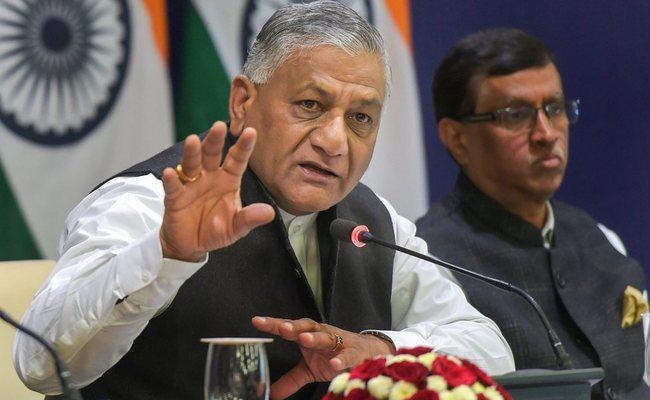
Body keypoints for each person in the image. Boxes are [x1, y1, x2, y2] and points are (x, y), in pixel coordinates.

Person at [13, 3, 514, 400]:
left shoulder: (375, 223)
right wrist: (164, 253)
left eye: (360, 118)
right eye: (310, 105)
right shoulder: (146, 202)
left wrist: (380, 349)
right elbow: (41, 366)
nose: (334, 141)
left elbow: (489, 348)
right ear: (242, 102)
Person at [416, 28, 648, 400]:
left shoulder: (602, 239)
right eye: (516, 115)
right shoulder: (427, 261)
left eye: (554, 108)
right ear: (457, 139)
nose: (546, 133)